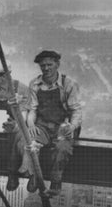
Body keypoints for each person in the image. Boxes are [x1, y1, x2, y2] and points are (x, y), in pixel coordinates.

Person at [21, 49, 83, 195]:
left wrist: (72, 127)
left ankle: (56, 182)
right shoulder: (35, 84)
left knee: (62, 148)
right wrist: (31, 125)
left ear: (57, 64)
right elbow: (33, 109)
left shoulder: (68, 84)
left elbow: (76, 110)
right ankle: (34, 175)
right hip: (43, 125)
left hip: (62, 125)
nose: (46, 68)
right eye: (43, 66)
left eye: (49, 64)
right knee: (31, 143)